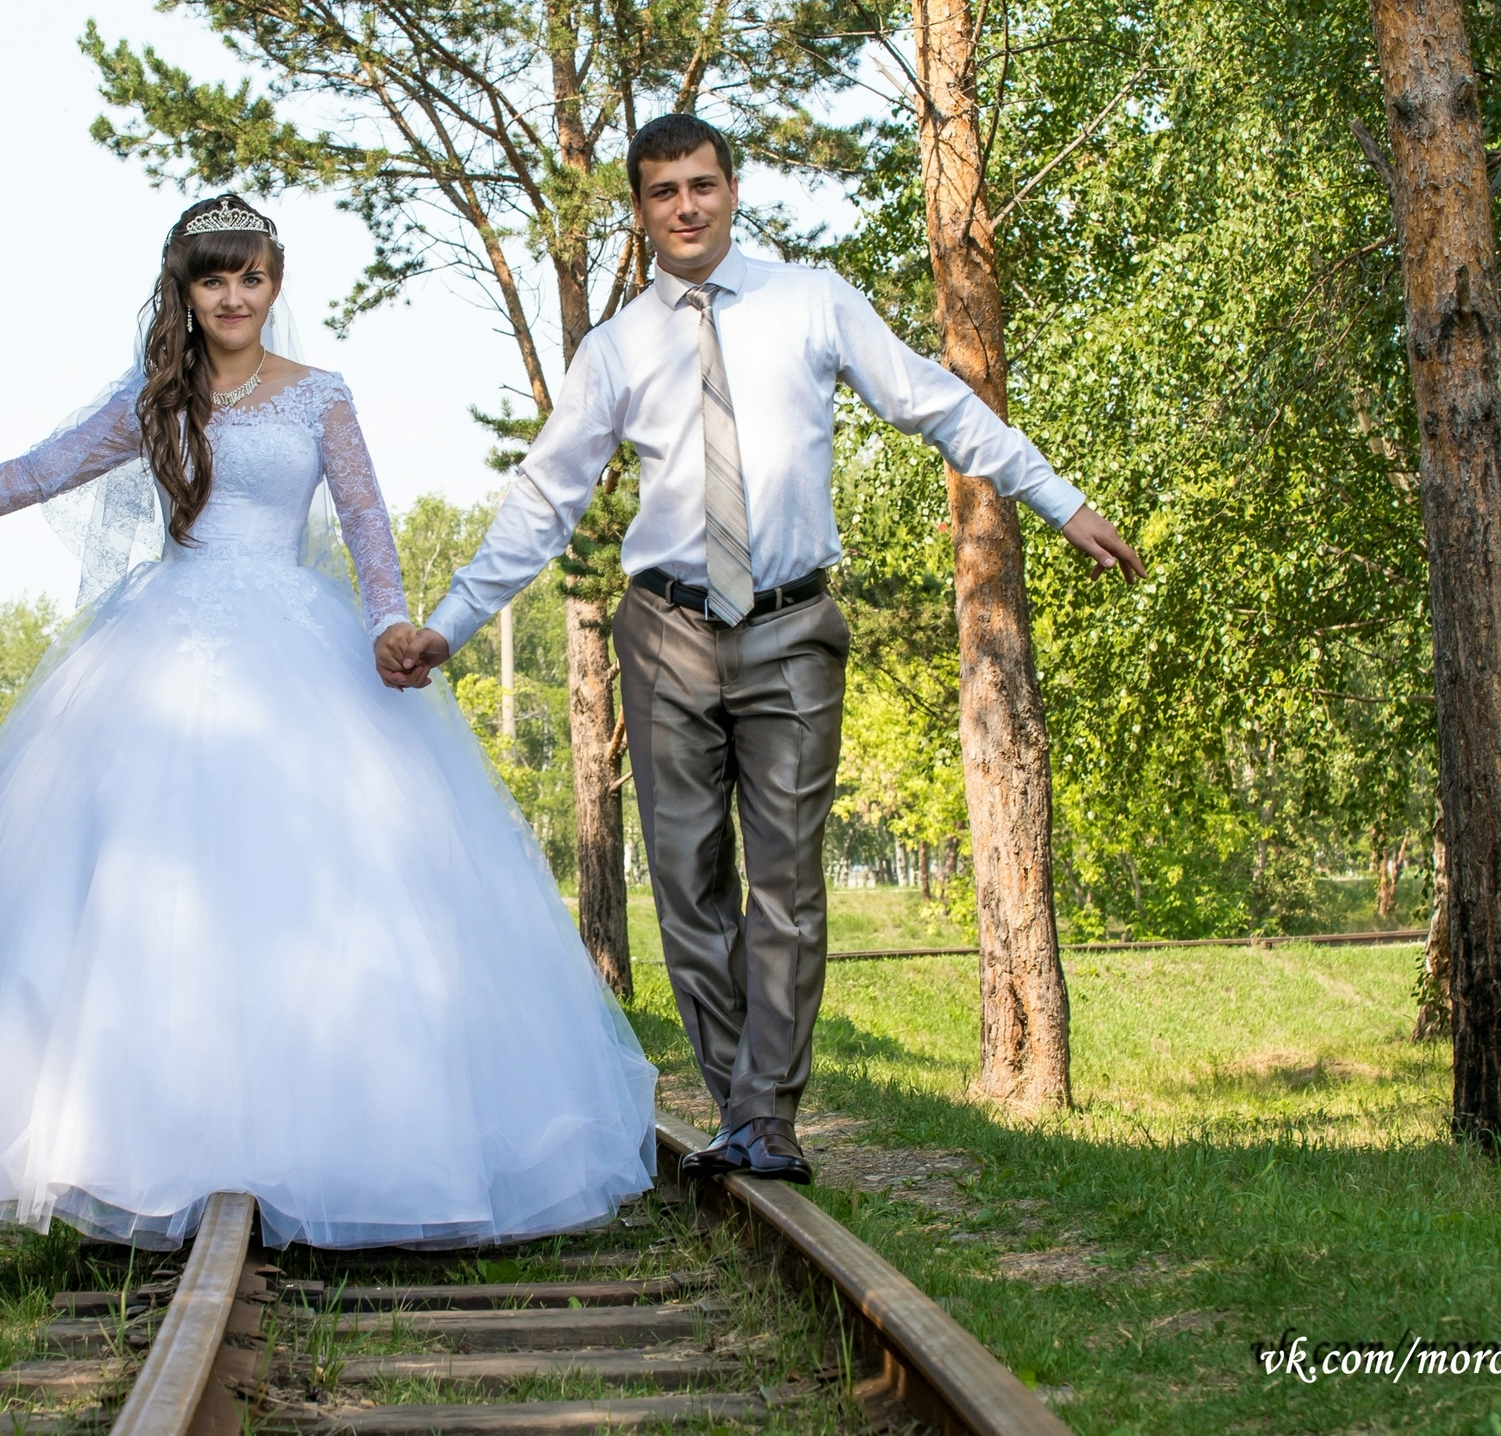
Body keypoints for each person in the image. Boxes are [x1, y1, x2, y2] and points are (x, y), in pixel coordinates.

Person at [0, 194, 656, 1248]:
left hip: (299, 651)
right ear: (186, 290)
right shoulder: (155, 400)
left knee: (326, 892)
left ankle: (343, 1147)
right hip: (156, 654)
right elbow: (40, 468)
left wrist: (390, 623)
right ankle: (140, 1151)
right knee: (135, 894)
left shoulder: (320, 397)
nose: (234, 296)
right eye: (213, 279)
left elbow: (366, 524)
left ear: (275, 283)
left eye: (250, 276)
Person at [377, 115, 1142, 1184]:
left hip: (789, 628)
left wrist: (1060, 502)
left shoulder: (811, 303)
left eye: (701, 185)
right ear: (638, 213)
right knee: (691, 887)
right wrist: (449, 627)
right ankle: (738, 1099)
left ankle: (764, 1117)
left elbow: (933, 404)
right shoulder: (618, 350)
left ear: (733, 190)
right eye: (661, 193)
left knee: (784, 883)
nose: (685, 207)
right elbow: (540, 505)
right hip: (663, 635)